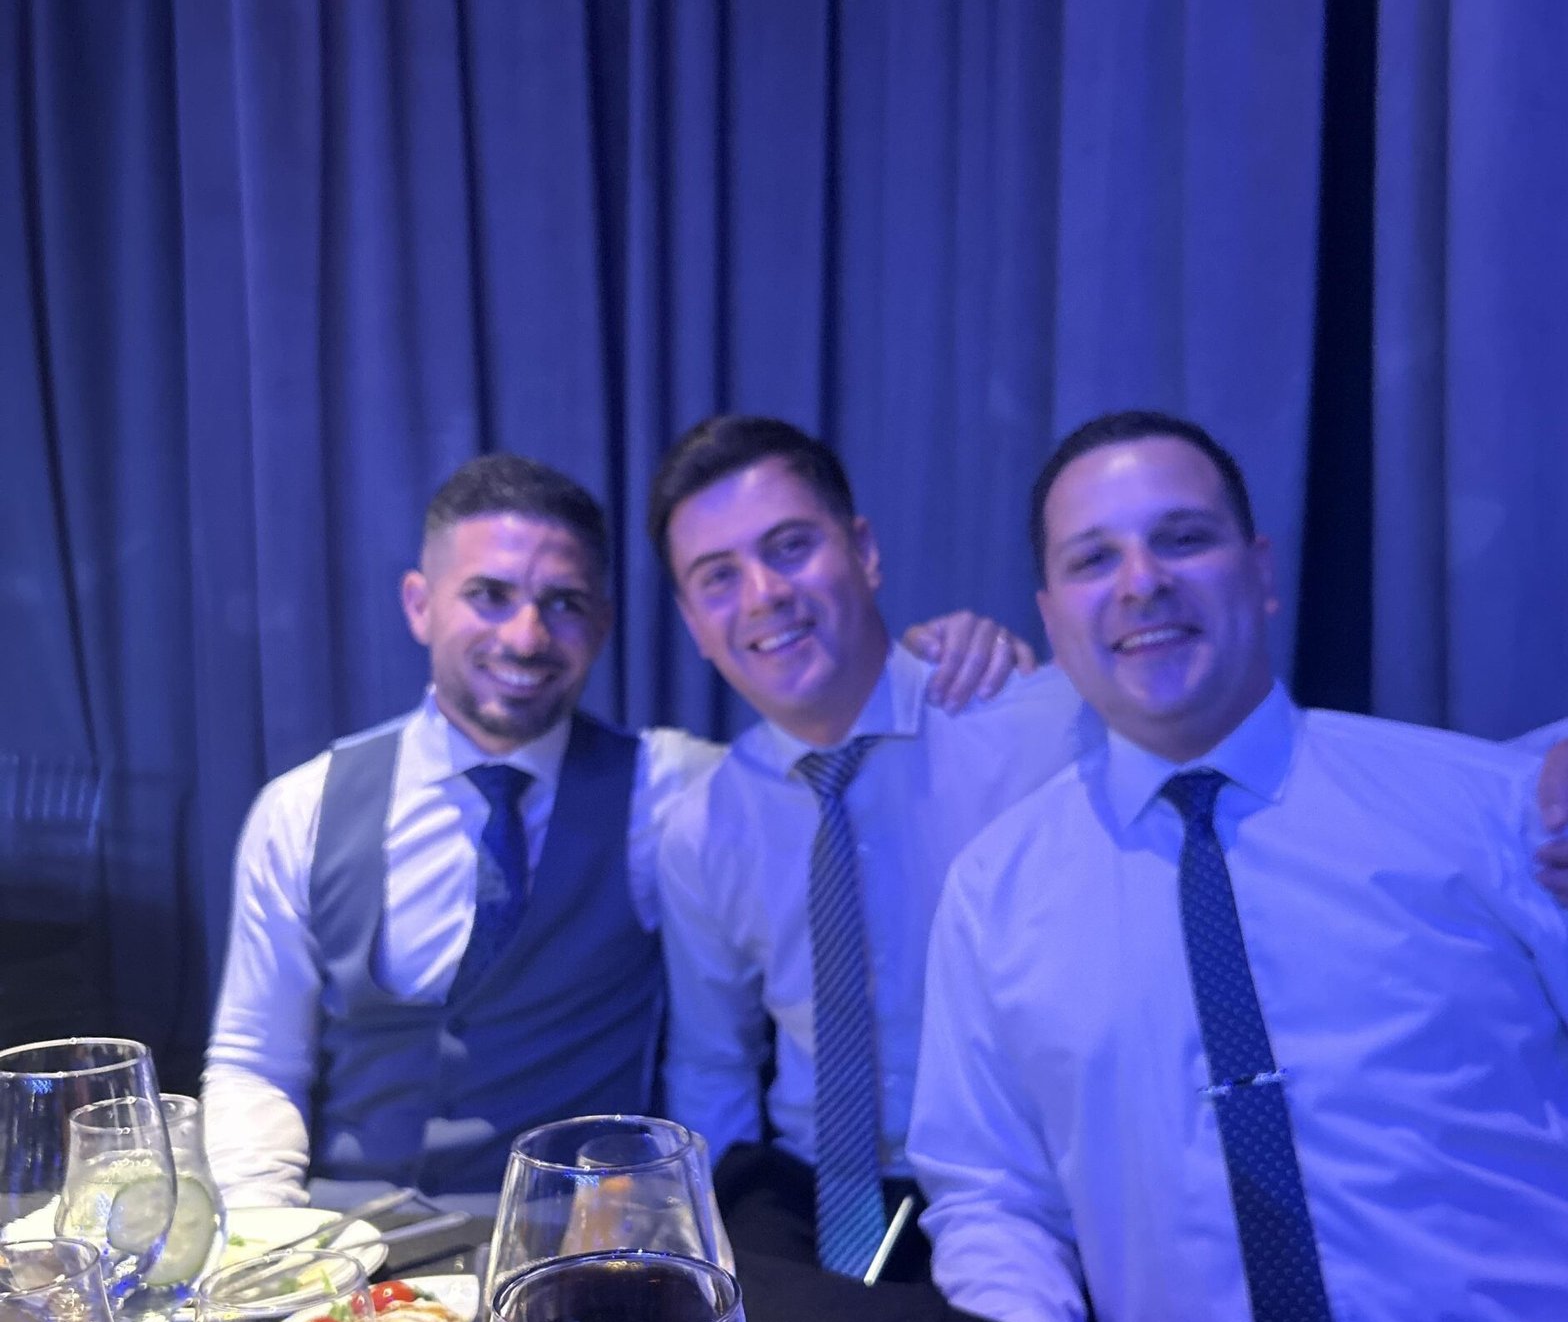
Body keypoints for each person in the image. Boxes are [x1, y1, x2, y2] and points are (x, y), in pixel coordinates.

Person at [910, 409, 1568, 1322]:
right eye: (1093, 558)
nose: (1142, 582)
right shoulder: (994, 891)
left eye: (1182, 538)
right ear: (1051, 617)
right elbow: (992, 1196)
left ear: (1261, 571)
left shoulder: (1492, 810)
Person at [203, 451, 1024, 1202]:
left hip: (571, 1248)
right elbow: (255, 1059)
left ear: (601, 624)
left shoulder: (680, 793)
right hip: (342, 1245)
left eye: (562, 605)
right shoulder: (302, 809)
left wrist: (943, 657)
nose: (526, 637)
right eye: (489, 596)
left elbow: (828, 747)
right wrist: (260, 1232)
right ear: (421, 604)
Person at [650, 415, 1089, 1280]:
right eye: (718, 577)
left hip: (1028, 1188)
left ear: (865, 551)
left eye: (790, 547)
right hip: (812, 1197)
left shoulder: (1041, 729)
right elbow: (713, 1064)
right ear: (693, 622)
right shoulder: (702, 826)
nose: (763, 594)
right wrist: (700, 1252)